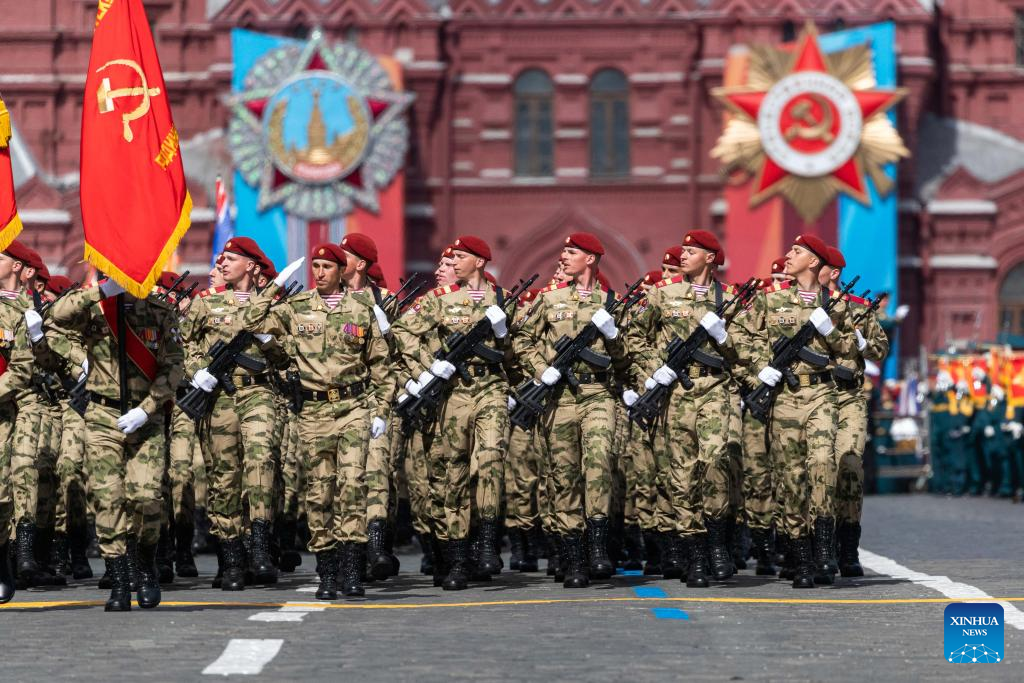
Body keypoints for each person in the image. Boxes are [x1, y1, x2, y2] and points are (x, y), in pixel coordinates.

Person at [244, 243, 393, 599]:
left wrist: (381, 412)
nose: (320, 272)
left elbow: (381, 367)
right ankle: (327, 572)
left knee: (353, 486)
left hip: (354, 408)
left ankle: (352, 571)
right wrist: (275, 286)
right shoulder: (296, 307)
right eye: (315, 266)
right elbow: (249, 320)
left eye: (327, 266)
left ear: (342, 271)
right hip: (313, 413)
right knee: (319, 492)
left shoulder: (362, 310)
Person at [49, 276, 183, 611]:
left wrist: (147, 408)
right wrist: (102, 291)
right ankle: (121, 580)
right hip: (102, 416)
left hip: (144, 417)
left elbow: (174, 365)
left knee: (146, 497)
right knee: (107, 499)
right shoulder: (97, 309)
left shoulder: (160, 311)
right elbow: (57, 316)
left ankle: (146, 563)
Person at [626, 230, 749, 586]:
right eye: (683, 250)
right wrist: (654, 369)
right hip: (676, 393)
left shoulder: (730, 298)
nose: (683, 255)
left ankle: (717, 544)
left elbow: (748, 350)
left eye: (692, 251)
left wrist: (724, 337)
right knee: (681, 476)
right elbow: (634, 335)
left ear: (710, 258)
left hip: (716, 388)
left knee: (716, 461)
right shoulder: (662, 294)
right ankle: (695, 554)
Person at [392, 236, 511, 590]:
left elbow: (520, 351)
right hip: (453, 393)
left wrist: (503, 333)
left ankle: (486, 543)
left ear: (480, 261)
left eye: (461, 256)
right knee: (454, 474)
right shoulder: (439, 299)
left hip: (491, 387)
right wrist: (428, 368)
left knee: (490, 459)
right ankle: (458, 558)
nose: (454, 262)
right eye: (453, 256)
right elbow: (402, 332)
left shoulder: (502, 299)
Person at [515, 232, 626, 588]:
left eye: (571, 252)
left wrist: (613, 336)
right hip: (559, 397)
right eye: (563, 251)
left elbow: (626, 358)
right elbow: (521, 338)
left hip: (597, 394)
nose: (563, 256)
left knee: (598, 464)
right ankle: (574, 557)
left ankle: (597, 547)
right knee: (564, 476)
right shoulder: (549, 299)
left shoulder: (612, 302)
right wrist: (540, 369)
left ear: (590, 259)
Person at [180, 237, 289, 589]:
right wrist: (197, 370)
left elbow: (287, 356)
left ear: (251, 266)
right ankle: (231, 558)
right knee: (224, 475)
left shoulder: (273, 306)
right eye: (221, 259)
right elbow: (183, 342)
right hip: (218, 397)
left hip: (258, 391)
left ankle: (260, 545)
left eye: (230, 258)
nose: (222, 263)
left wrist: (269, 341)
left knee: (261, 459)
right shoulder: (206, 302)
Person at [748, 234, 855, 588]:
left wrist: (831, 332)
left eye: (797, 251)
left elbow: (852, 350)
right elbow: (746, 340)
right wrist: (760, 369)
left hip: (822, 393)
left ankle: (824, 550)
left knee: (823, 463)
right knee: (791, 477)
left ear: (813, 262)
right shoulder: (770, 299)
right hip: (784, 398)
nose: (788, 255)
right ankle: (801, 556)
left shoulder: (836, 304)